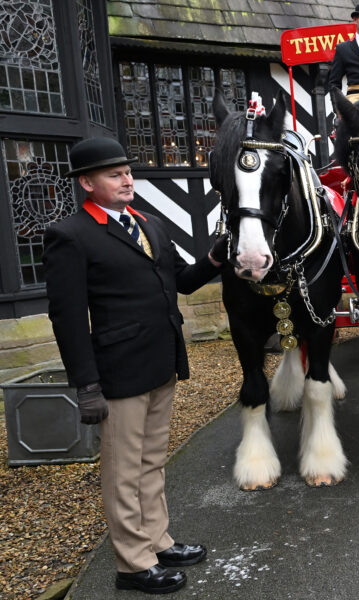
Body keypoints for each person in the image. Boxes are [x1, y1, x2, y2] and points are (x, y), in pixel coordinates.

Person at [43, 137, 227, 594]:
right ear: (87, 183)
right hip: (118, 372)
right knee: (123, 470)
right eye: (114, 174)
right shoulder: (71, 235)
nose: (127, 180)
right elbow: (67, 317)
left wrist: (215, 258)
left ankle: (156, 541)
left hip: (161, 362)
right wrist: (86, 384)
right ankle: (132, 564)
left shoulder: (151, 225)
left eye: (127, 171)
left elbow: (182, 283)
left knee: (151, 462)